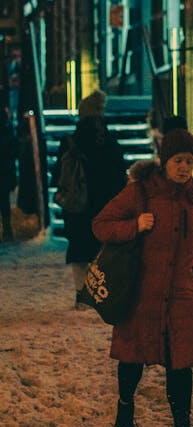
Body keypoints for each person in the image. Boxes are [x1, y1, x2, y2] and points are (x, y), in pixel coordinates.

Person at [92, 127, 193, 427]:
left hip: (182, 294)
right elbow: (100, 225)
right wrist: (134, 226)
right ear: (164, 160)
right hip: (143, 293)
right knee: (132, 356)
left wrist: (191, 273)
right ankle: (125, 409)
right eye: (178, 160)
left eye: (189, 161)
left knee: (180, 362)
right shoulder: (140, 192)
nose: (184, 168)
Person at [51, 90, 127, 306]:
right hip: (105, 203)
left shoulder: (71, 140)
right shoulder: (108, 139)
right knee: (101, 249)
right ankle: (100, 294)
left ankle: (81, 294)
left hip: (77, 205)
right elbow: (119, 171)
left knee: (79, 248)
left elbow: (58, 175)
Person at [0, 106, 19, 241]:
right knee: (4, 202)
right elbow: (14, 151)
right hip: (5, 171)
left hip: (4, 171)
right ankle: (7, 230)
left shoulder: (8, 131)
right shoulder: (8, 130)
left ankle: (7, 230)